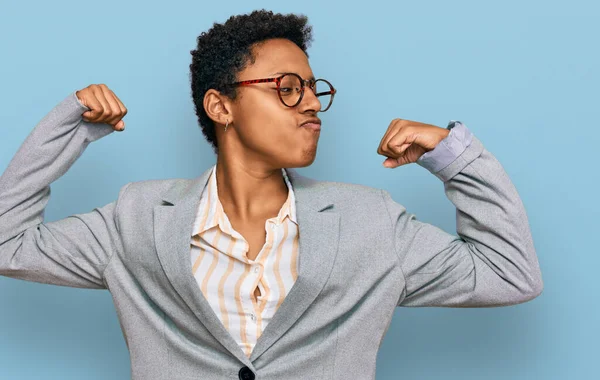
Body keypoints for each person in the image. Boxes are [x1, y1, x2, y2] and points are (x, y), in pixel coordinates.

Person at [0, 9, 542, 380]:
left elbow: (510, 273)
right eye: (287, 88)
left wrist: (453, 156)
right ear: (221, 107)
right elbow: (8, 242)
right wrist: (72, 123)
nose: (310, 104)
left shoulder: (370, 222)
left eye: (312, 88)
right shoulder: (138, 217)